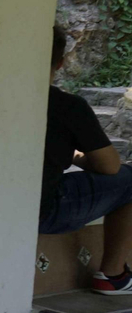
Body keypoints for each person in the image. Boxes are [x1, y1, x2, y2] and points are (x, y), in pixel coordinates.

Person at [39, 27, 132, 294]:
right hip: (43, 211)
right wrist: (78, 158)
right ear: (61, 62)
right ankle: (113, 275)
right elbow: (110, 166)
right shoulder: (67, 107)